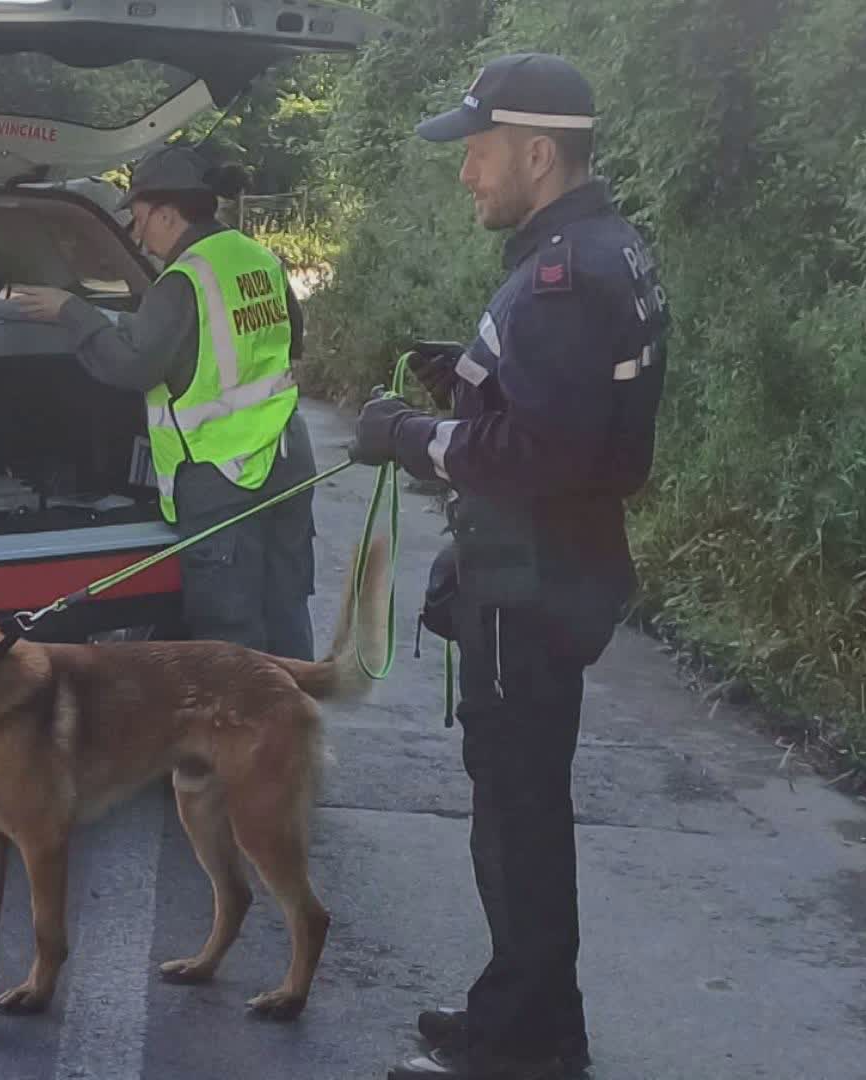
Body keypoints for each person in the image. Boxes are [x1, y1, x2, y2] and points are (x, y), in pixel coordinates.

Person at [349, 54, 670, 1080]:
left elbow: (543, 455)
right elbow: (560, 414)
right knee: (521, 809)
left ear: (537, 151)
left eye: (477, 150)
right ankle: (525, 1016)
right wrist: (474, 379)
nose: (465, 172)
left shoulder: (563, 275)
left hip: (527, 580)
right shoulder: (597, 248)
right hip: (553, 569)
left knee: (517, 820)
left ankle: (519, 1049)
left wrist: (409, 433)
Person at [10, 145, 318, 659]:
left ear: (167, 213)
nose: (138, 236)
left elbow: (131, 368)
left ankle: (243, 738)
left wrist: (73, 312)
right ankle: (295, 727)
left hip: (222, 473)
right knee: (285, 608)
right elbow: (288, 342)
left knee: (232, 629)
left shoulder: (183, 279)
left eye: (138, 219)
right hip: (286, 457)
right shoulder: (255, 256)